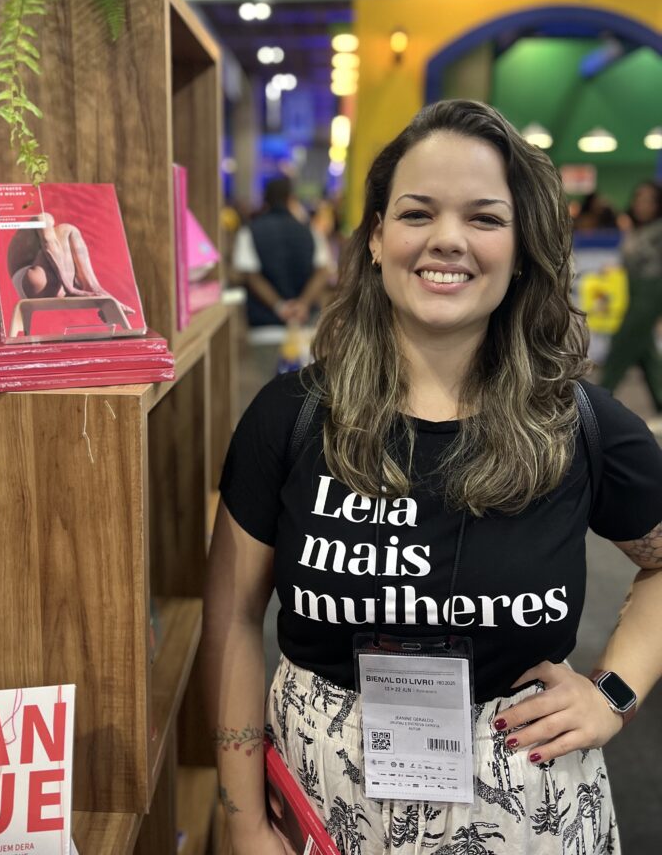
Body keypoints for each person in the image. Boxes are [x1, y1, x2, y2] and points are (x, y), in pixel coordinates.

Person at [203, 100, 662, 855]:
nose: (447, 238)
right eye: (417, 212)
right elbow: (230, 622)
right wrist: (242, 820)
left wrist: (614, 694)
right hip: (320, 799)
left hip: (523, 810)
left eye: (484, 218)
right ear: (376, 237)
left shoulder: (581, 425)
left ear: (522, 247)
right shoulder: (290, 418)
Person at [600, 181, 662, 431]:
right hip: (633, 292)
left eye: (648, 200)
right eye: (638, 198)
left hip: (652, 292)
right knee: (646, 352)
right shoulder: (635, 229)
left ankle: (597, 399)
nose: (641, 204)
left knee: (622, 344)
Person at [232, 175, 332, 327]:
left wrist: (280, 306)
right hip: (306, 323)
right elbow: (322, 272)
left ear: (265, 199)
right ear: (291, 199)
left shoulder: (248, 232)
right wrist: (303, 304)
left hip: (264, 324)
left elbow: (250, 276)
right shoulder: (311, 231)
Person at [6, 211, 135, 314]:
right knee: (67, 229)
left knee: (61, 235)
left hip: (30, 284)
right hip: (35, 282)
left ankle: (92, 288)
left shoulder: (26, 231)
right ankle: (92, 287)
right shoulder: (44, 217)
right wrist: (69, 288)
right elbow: (48, 244)